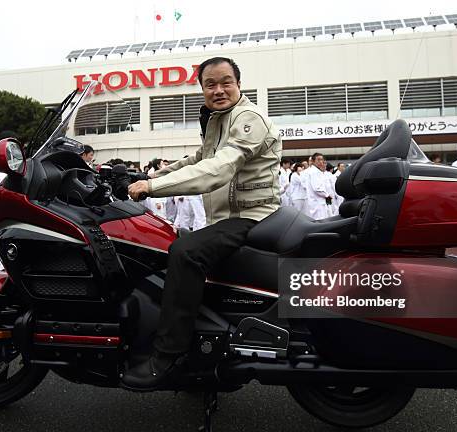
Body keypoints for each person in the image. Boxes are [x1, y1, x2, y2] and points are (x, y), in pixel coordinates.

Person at [124, 56, 281, 389]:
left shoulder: (247, 118)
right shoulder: (219, 119)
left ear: (239, 84)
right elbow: (198, 159)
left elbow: (218, 169)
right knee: (169, 241)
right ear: (202, 89)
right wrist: (147, 175)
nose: (219, 89)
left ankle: (167, 356)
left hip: (252, 217)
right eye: (210, 84)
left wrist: (152, 188)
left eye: (226, 82)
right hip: (230, 217)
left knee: (184, 251)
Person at [304, 153, 334, 220]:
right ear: (313, 161)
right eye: (318, 160)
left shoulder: (317, 171)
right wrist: (327, 195)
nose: (321, 162)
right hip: (317, 202)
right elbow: (317, 188)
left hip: (319, 201)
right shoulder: (314, 172)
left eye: (322, 160)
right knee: (320, 220)